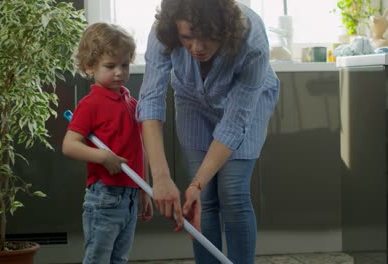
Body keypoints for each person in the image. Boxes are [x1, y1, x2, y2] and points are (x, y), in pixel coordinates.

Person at [136, 0, 279, 262]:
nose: (198, 48)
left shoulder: (252, 36)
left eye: (209, 38)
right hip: (192, 100)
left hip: (247, 103)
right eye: (187, 37)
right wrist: (161, 176)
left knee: (233, 193)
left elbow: (234, 124)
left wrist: (196, 183)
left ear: (224, 30)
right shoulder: (163, 30)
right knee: (204, 202)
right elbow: (151, 101)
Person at [62, 22, 153, 264]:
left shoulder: (131, 103)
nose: (119, 73)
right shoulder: (90, 105)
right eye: (110, 66)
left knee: (119, 258)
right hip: (105, 197)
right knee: (98, 259)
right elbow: (69, 145)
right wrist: (103, 157)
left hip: (131, 196)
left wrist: (144, 189)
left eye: (124, 65)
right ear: (90, 66)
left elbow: (139, 151)